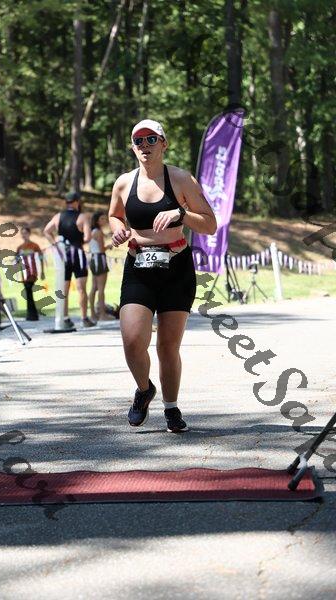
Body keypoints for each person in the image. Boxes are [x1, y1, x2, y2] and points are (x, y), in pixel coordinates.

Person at [109, 119, 216, 433]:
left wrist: (181, 213)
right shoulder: (124, 183)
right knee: (132, 340)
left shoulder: (181, 179)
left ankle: (171, 408)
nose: (145, 146)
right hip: (138, 267)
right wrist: (118, 230)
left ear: (164, 143)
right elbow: (114, 214)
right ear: (133, 147)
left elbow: (210, 224)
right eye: (138, 141)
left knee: (168, 346)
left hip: (176, 268)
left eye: (151, 139)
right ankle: (144, 390)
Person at [43, 191, 96, 328]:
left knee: (64, 288)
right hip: (78, 254)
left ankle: (65, 318)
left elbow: (46, 231)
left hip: (63, 255)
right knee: (81, 288)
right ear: (77, 202)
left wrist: (55, 244)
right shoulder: (82, 217)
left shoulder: (58, 216)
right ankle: (84, 318)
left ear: (66, 202)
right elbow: (87, 238)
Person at [88, 212, 114, 322]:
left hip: (93, 259)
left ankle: (93, 314)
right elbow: (101, 249)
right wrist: (109, 246)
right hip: (100, 259)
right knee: (101, 289)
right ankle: (103, 315)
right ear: (97, 221)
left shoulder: (92, 231)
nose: (105, 220)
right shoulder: (98, 232)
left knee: (94, 288)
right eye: (102, 219)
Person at [16, 226, 45, 321]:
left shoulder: (34, 246)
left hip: (32, 272)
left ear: (29, 234)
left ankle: (32, 314)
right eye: (22, 233)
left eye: (25, 233)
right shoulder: (20, 248)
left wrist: (42, 272)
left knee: (28, 291)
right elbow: (17, 260)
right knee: (28, 293)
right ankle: (32, 314)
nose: (24, 235)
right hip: (24, 274)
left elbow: (41, 258)